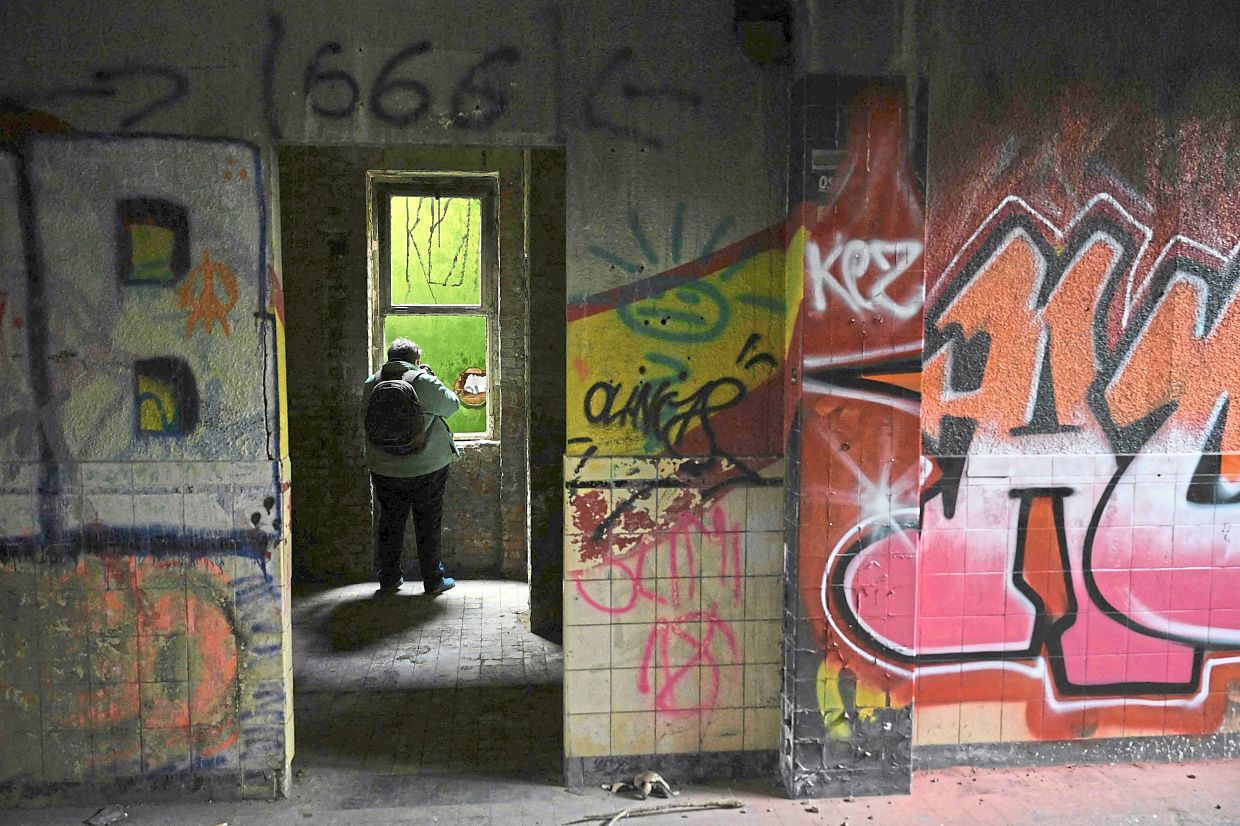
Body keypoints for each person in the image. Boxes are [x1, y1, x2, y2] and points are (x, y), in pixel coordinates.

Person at [362, 338, 460, 595]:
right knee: (428, 522)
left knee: (390, 521)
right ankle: (433, 580)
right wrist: (429, 376)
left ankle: (389, 578)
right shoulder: (422, 381)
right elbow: (452, 405)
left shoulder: (372, 383)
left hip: (384, 467)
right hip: (426, 467)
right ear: (415, 360)